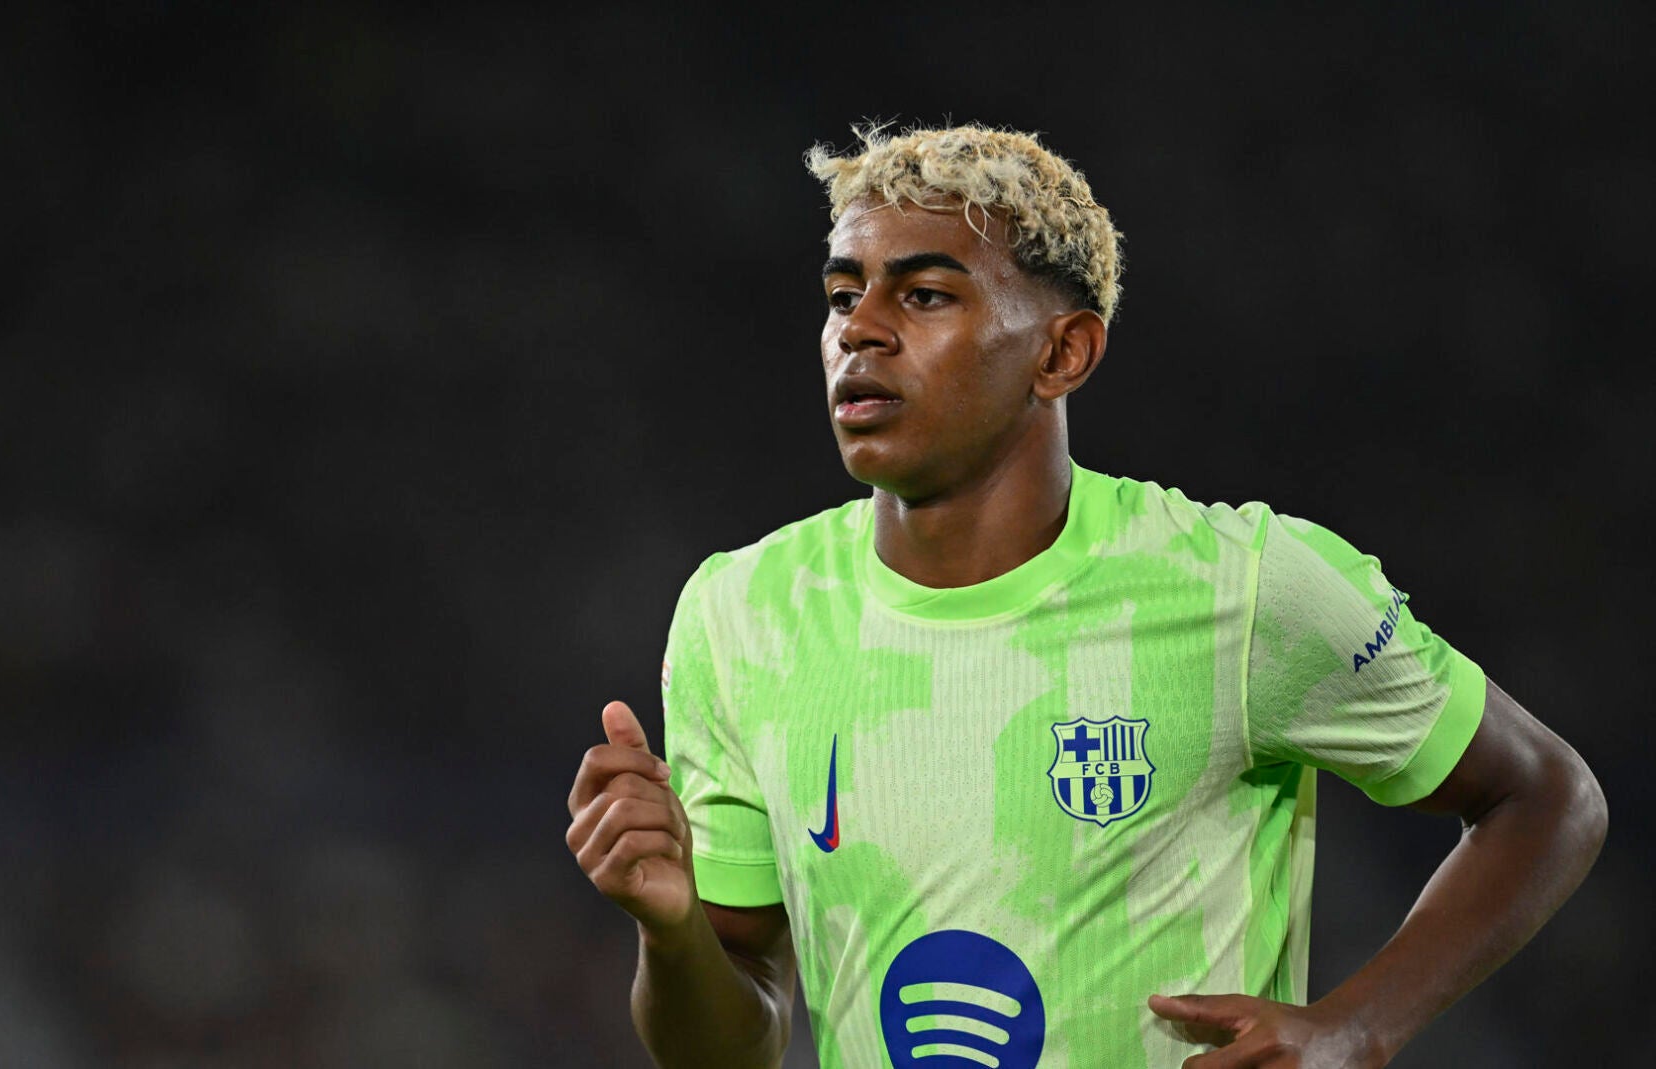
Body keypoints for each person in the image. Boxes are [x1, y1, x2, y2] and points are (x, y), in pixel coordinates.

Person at [563, 122, 1606, 1069]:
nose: (859, 332)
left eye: (923, 295)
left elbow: (1548, 797)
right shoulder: (742, 613)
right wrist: (671, 929)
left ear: (1062, 353)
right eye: (843, 296)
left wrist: (1359, 1025)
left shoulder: (1243, 583)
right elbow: (729, 1045)